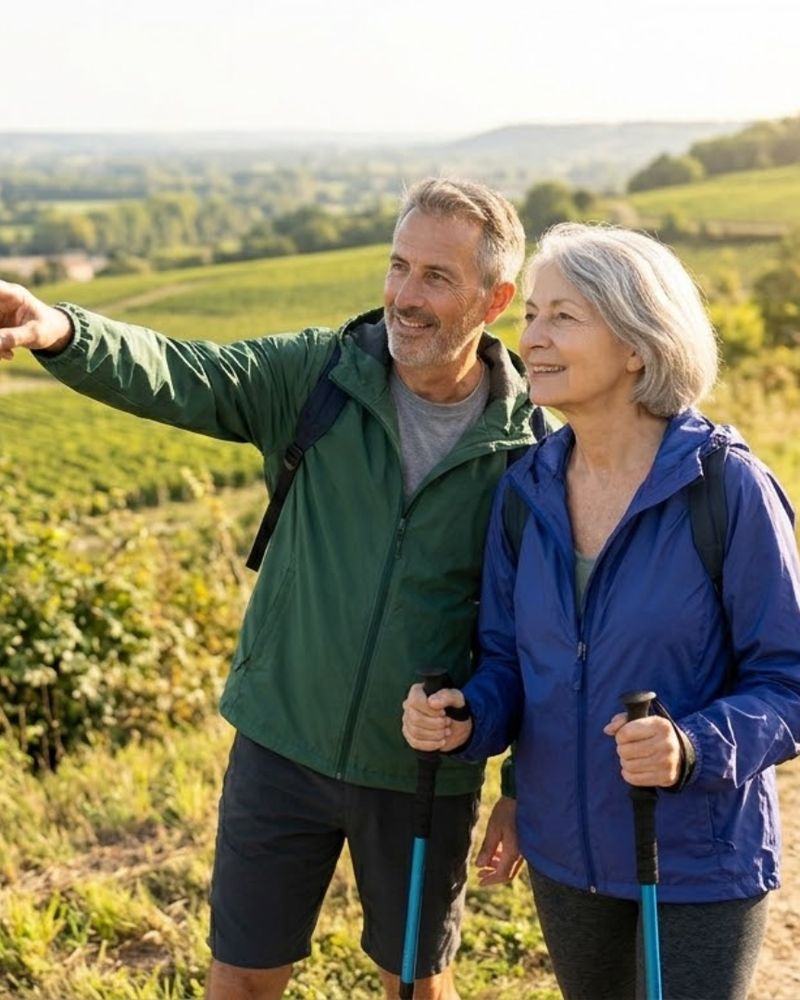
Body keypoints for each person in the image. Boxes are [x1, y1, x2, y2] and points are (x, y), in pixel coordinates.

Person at [0, 177, 539, 1000]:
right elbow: (184, 373)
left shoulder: (531, 449)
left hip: (422, 772)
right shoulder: (317, 378)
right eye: (398, 267)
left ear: (494, 299)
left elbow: (538, 639)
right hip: (280, 742)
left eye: (437, 276)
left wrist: (516, 786)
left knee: (417, 985)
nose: (405, 296)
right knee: (242, 980)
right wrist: (65, 332)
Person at [402, 222, 800, 1000]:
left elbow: (789, 681)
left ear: (638, 344)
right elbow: (510, 664)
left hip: (694, 859)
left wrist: (691, 746)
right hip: (564, 856)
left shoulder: (727, 491)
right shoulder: (526, 492)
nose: (533, 339)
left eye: (564, 317)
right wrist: (464, 716)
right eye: (532, 316)